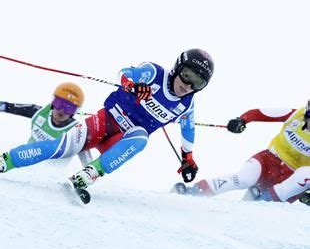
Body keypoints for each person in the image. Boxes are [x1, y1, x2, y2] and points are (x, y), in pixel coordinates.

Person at [0, 49, 214, 192]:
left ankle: (89, 174)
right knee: (58, 148)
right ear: (178, 67)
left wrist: (188, 158)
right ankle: (6, 161)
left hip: (121, 140)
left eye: (198, 83)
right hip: (105, 122)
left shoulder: (187, 104)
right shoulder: (154, 72)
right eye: (187, 76)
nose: (188, 86)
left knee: (141, 138)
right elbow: (124, 72)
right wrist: (131, 85)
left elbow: (188, 129)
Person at [174, 101, 310, 204]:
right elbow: (259, 113)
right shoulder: (295, 114)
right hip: (268, 162)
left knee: (306, 173)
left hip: (291, 180)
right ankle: (194, 192)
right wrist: (241, 120)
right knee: (244, 178)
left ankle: (264, 201)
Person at [0, 82, 92, 167]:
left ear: (75, 111)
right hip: (27, 164)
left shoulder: (77, 132)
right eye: (59, 103)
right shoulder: (39, 112)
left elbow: (89, 164)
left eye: (69, 108)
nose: (62, 110)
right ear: (53, 103)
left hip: (49, 178)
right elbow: (7, 106)